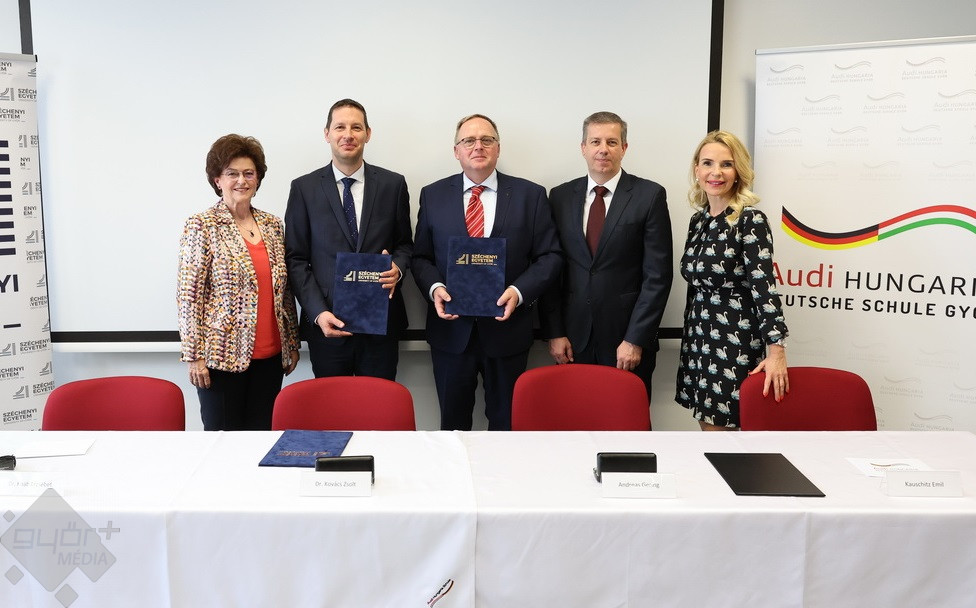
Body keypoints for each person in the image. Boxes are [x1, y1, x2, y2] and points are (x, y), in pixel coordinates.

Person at [412, 114, 562, 430]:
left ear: (498, 148)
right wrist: (435, 288)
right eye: (469, 140)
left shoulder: (530, 195)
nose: (478, 146)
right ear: (456, 151)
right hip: (451, 333)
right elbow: (421, 257)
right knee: (453, 427)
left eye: (487, 140)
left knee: (507, 426)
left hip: (509, 333)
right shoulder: (433, 194)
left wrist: (519, 292)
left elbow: (550, 257)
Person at [541, 111, 673, 402]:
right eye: (595, 141)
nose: (603, 149)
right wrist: (555, 332)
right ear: (583, 148)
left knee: (627, 422)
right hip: (572, 340)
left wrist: (635, 339)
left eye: (612, 142)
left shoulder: (649, 195)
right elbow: (551, 270)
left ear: (624, 148)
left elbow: (658, 277)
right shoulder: (559, 197)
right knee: (576, 418)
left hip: (626, 342)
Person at [178, 134, 300, 430]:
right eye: (232, 173)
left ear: (258, 179)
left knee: (261, 439)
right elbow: (189, 296)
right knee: (223, 443)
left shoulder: (273, 225)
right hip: (221, 359)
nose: (241, 181)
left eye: (249, 173)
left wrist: (291, 342)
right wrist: (194, 356)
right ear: (217, 180)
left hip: (271, 358)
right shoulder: (202, 225)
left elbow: (284, 291)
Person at [285, 99, 413, 380]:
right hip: (327, 324)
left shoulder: (393, 185)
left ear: (368, 133)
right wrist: (318, 312)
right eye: (340, 127)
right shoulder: (304, 188)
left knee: (378, 404)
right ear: (327, 133)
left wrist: (398, 268)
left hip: (381, 322)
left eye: (356, 127)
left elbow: (405, 244)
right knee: (332, 405)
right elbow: (295, 259)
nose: (348, 134)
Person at [675, 130, 789, 430]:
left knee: (723, 436)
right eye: (708, 163)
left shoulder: (750, 220)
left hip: (733, 341)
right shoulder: (698, 221)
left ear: (738, 172)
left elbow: (765, 288)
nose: (716, 172)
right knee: (708, 428)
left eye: (726, 164)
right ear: (697, 170)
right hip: (698, 340)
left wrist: (776, 350)